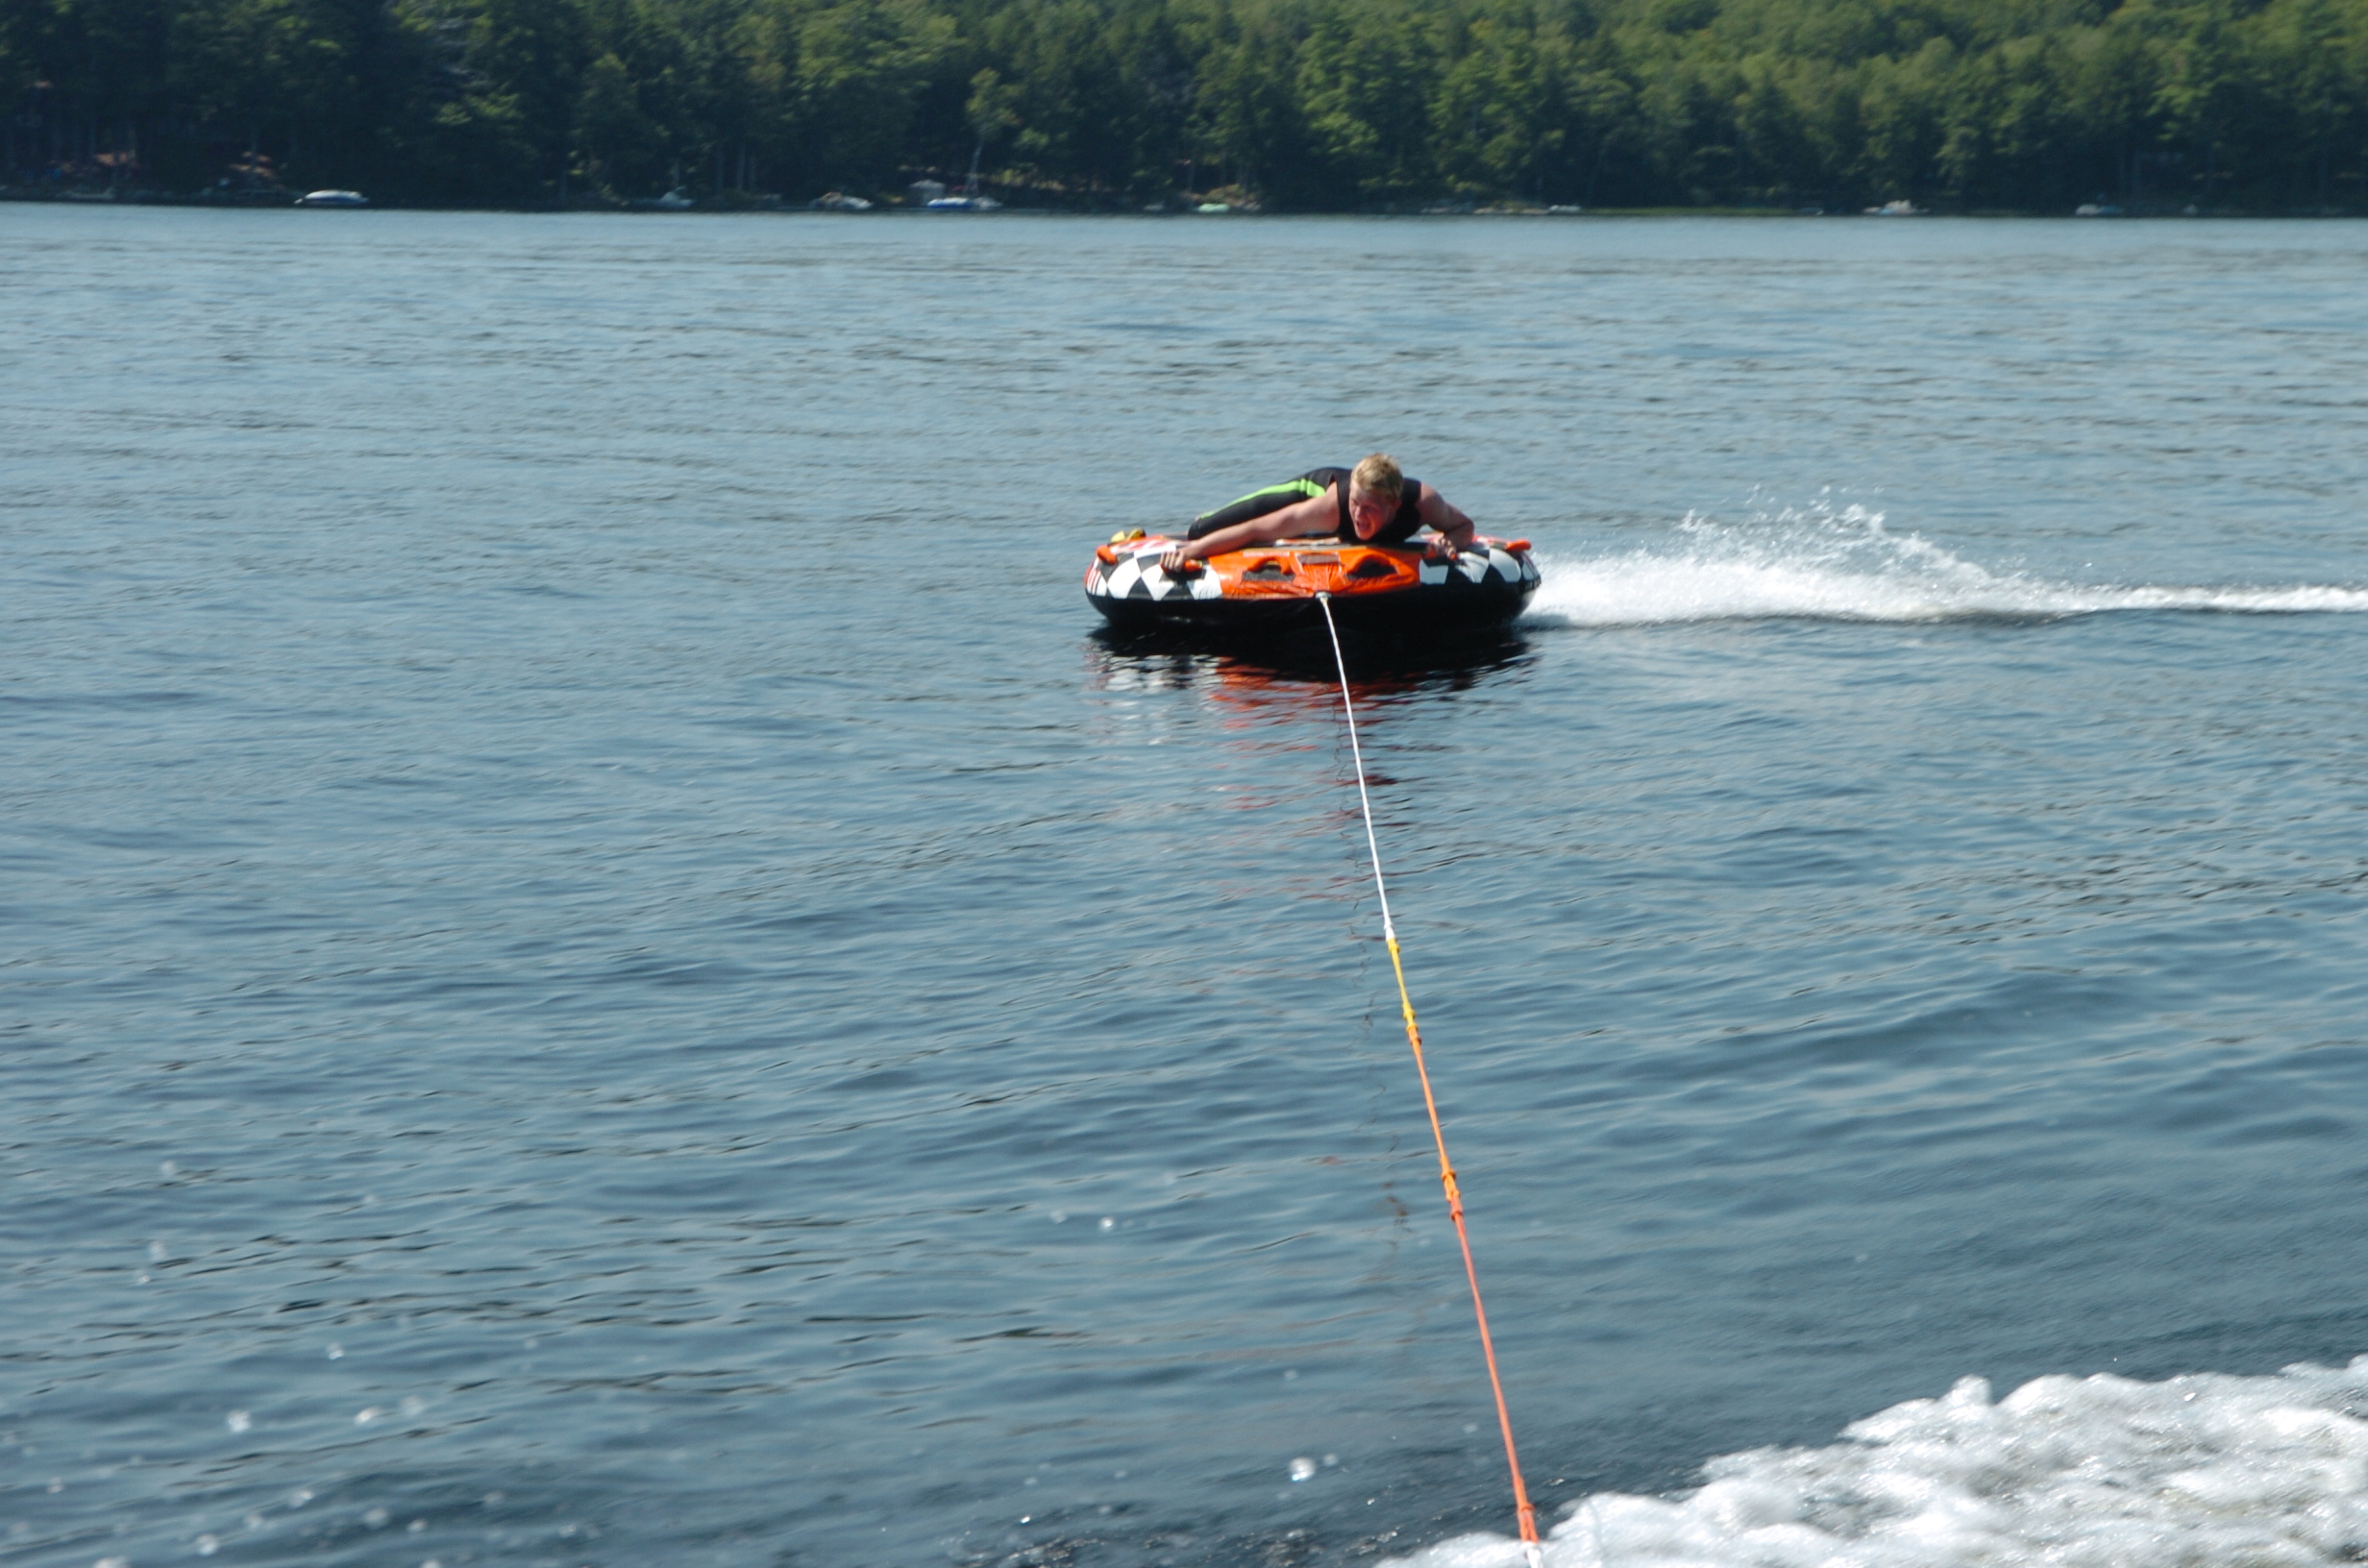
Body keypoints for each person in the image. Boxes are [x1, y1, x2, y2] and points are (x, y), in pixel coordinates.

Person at [1157, 453, 1477, 575]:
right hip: (1309, 490)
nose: (1358, 515)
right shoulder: (1331, 507)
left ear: (1393, 506)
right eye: (1355, 504)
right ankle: (1200, 527)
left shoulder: (1424, 503)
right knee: (1200, 530)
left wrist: (1450, 542)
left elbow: (1464, 526)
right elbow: (1255, 530)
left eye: (1369, 509)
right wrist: (1191, 552)